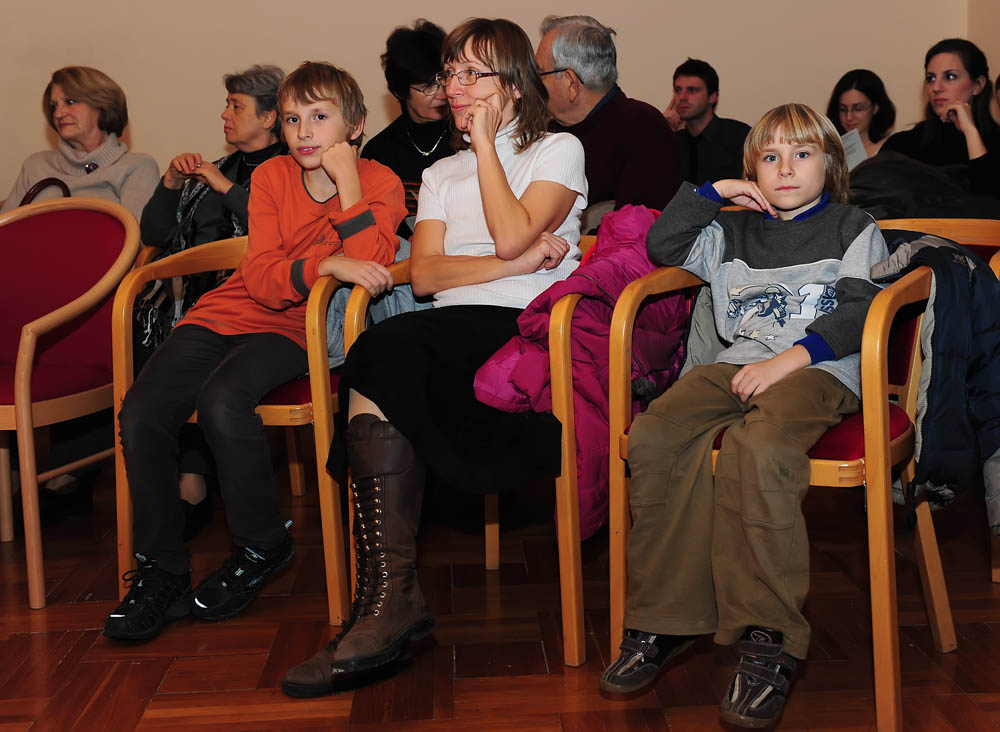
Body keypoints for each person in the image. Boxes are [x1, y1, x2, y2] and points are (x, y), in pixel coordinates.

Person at [280, 18, 587, 697]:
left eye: (472, 72)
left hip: (527, 326)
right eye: (452, 72)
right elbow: (423, 278)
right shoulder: (439, 172)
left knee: (381, 351)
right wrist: (512, 259)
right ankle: (390, 599)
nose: (456, 85)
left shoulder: (558, 152)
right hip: (446, 326)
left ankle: (391, 602)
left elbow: (509, 234)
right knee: (383, 347)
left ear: (512, 85)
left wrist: (485, 152)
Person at [600, 103, 888, 729]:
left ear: (830, 164)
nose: (786, 168)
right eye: (770, 156)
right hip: (736, 366)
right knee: (654, 436)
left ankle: (770, 635)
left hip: (819, 368)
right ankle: (666, 621)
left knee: (757, 450)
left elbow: (860, 311)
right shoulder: (731, 229)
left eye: (803, 154)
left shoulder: (852, 226)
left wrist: (789, 360)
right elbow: (663, 244)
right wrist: (712, 192)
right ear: (752, 168)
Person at [102, 61, 406, 642]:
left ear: (357, 125)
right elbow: (263, 278)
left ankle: (263, 543)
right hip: (229, 311)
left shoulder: (381, 182)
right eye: (293, 119)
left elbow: (373, 266)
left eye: (320, 118)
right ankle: (161, 564)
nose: (305, 132)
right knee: (142, 412)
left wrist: (348, 187)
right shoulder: (270, 177)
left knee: (223, 401)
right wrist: (324, 263)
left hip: (299, 328)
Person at [137, 64, 286, 531]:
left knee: (199, 349)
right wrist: (171, 184)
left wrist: (224, 189)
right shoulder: (215, 170)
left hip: (261, 306)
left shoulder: (291, 172)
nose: (224, 115)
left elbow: (278, 232)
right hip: (200, 303)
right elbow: (155, 233)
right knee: (149, 317)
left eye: (236, 106)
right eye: (226, 104)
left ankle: (194, 476)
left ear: (268, 117)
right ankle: (179, 480)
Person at [535, 15, 680, 211]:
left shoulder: (643, 128)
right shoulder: (544, 132)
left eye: (539, 73)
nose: (533, 84)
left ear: (571, 83)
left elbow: (636, 229)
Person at [2, 66, 158, 219]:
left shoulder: (136, 167)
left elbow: (137, 237)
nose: (58, 113)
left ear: (102, 105)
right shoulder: (35, 165)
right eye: (54, 106)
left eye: (70, 102)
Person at [361, 20, 453, 235]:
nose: (441, 94)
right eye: (427, 86)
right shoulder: (380, 153)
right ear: (400, 91)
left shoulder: (469, 140)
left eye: (444, 80)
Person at [879, 38, 1000, 197]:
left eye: (950, 77)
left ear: (977, 85)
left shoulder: (995, 142)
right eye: (930, 78)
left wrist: (970, 132)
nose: (936, 88)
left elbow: (990, 203)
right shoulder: (902, 145)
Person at [665, 58, 751, 184]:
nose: (682, 97)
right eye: (678, 90)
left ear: (713, 97)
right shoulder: (673, 141)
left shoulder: (740, 136)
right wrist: (662, 131)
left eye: (692, 90)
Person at [825, 69, 896, 158]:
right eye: (843, 109)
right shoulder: (830, 150)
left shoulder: (891, 148)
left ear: (875, 107)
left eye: (858, 109)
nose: (849, 117)